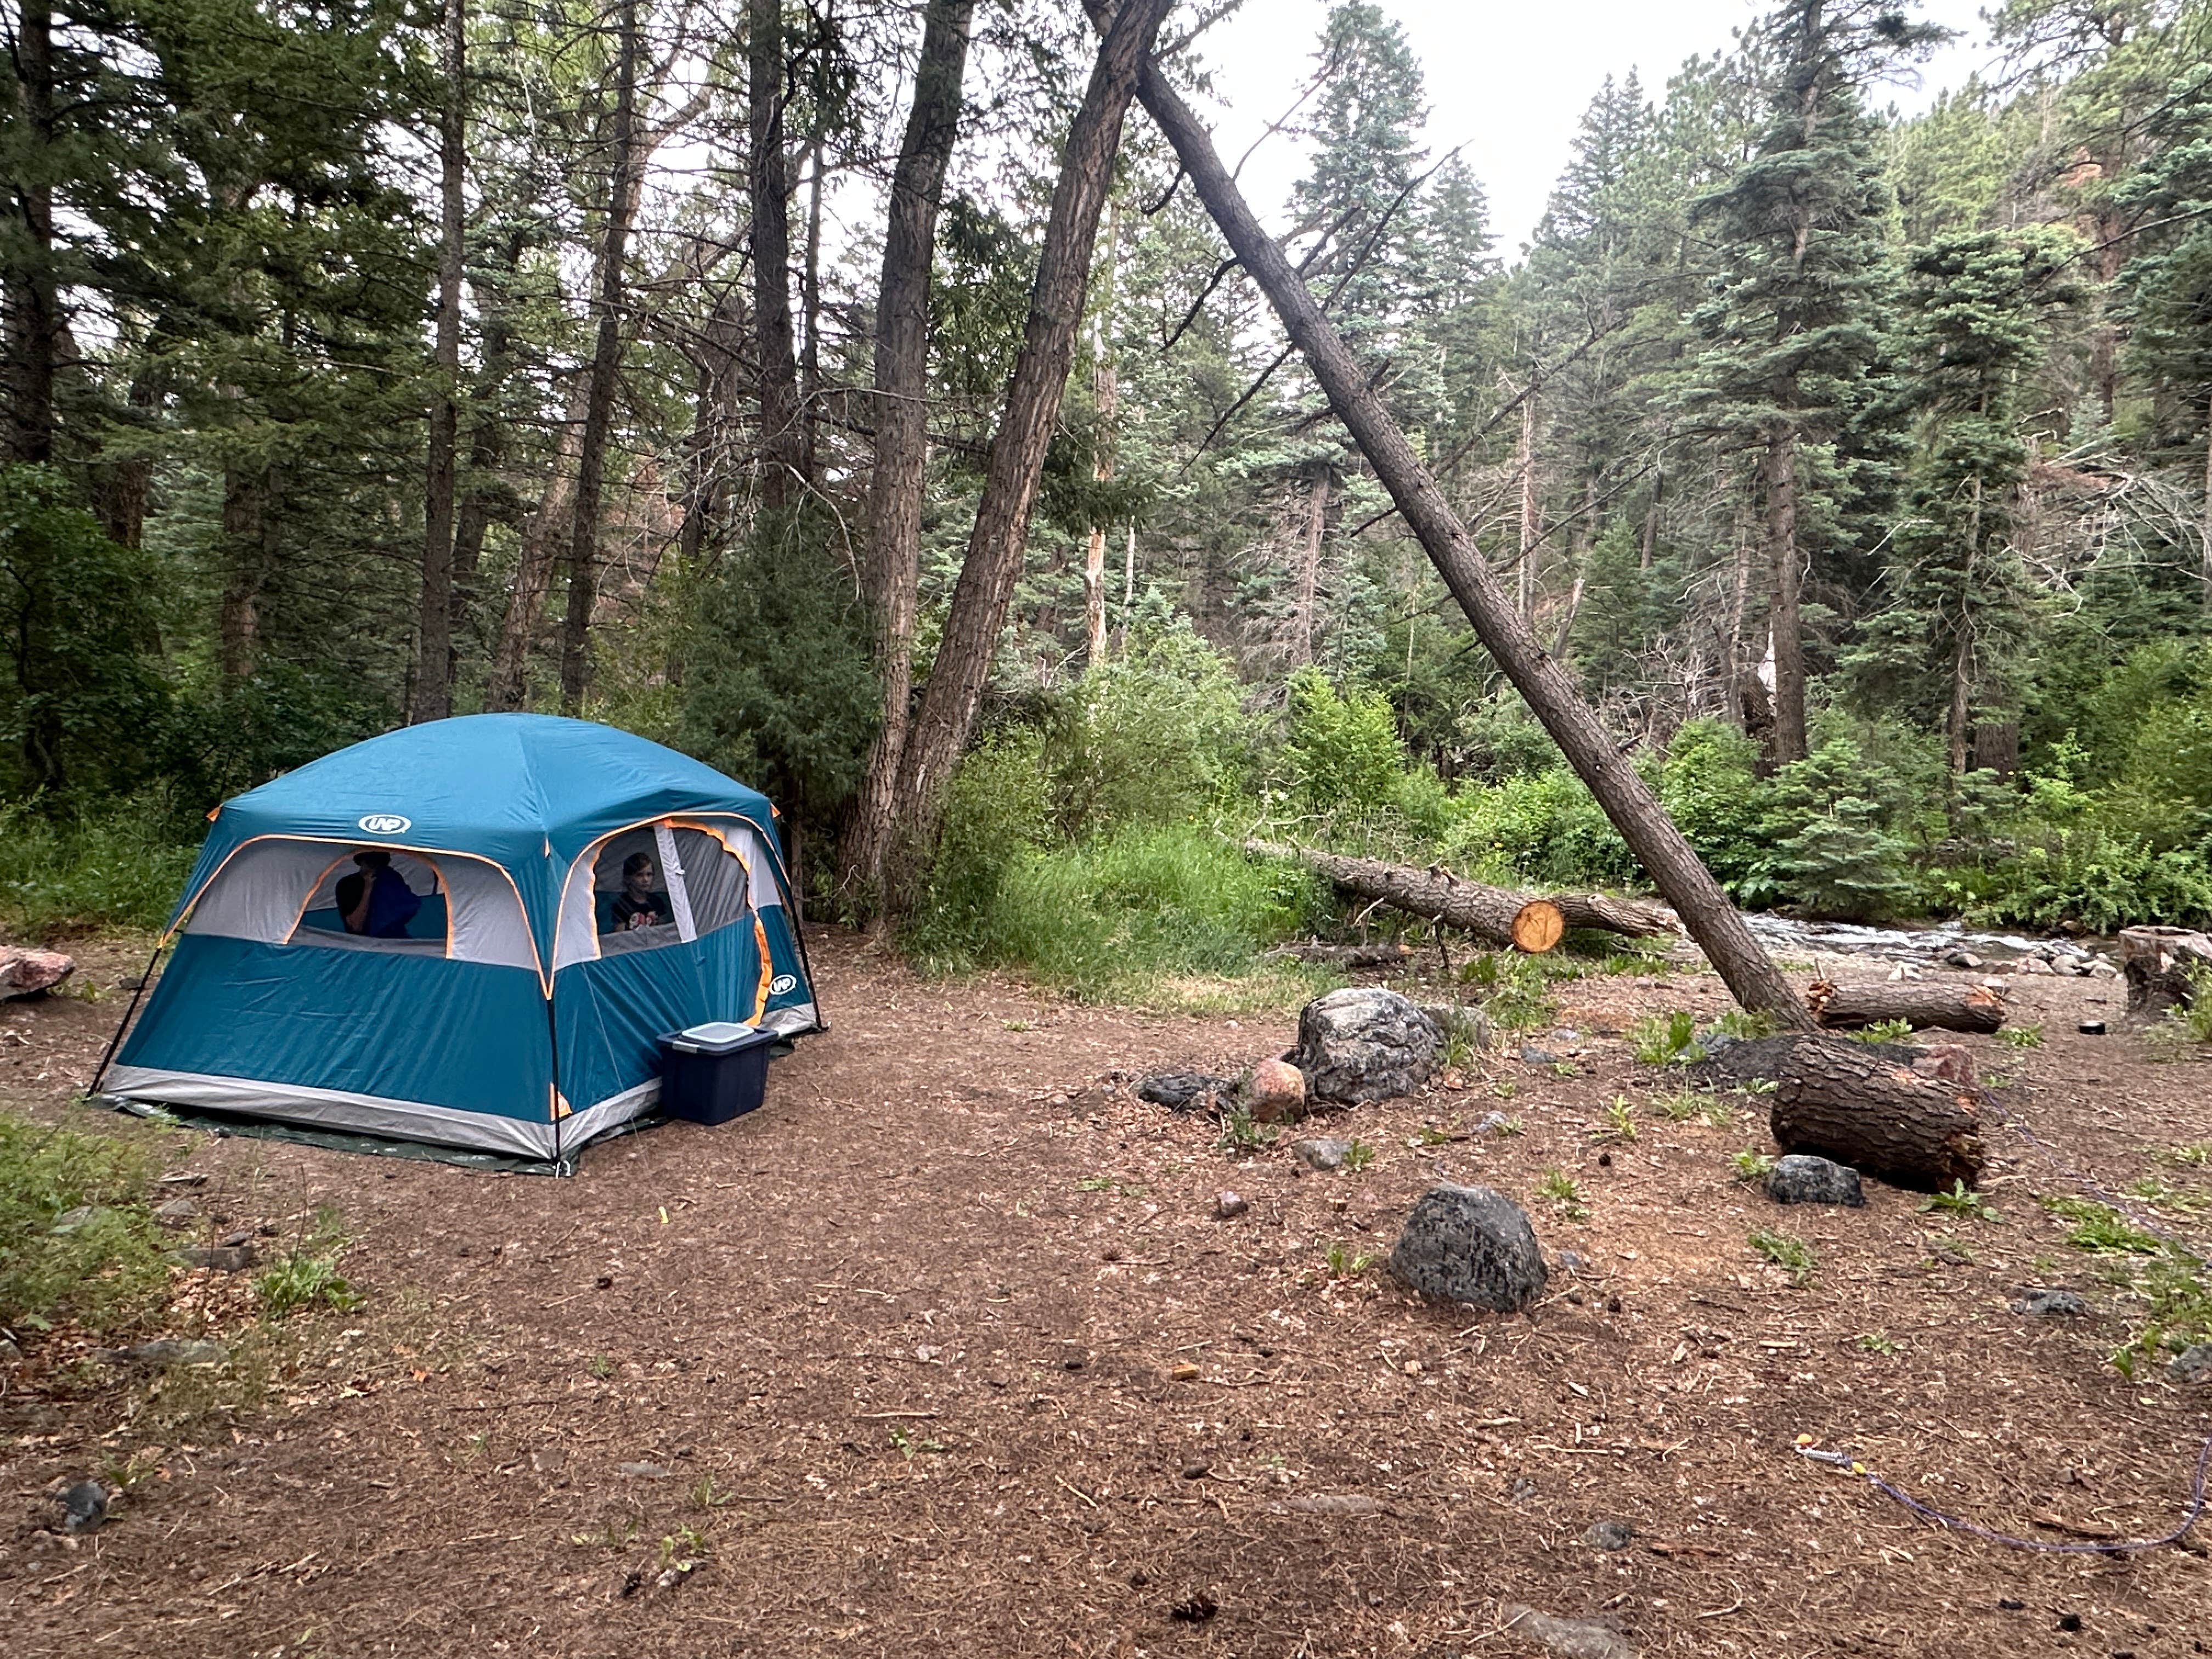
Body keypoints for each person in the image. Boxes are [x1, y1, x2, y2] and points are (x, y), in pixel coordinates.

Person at [337, 850, 424, 938]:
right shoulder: (348, 884)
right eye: (371, 863)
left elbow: (409, 906)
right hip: (364, 942)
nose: (375, 867)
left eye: (380, 863)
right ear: (361, 862)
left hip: (394, 937)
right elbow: (356, 926)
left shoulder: (391, 877)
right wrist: (368, 888)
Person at [608, 852, 672, 933]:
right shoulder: (621, 904)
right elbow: (619, 935)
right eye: (639, 875)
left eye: (649, 875)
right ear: (628, 879)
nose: (645, 879)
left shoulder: (656, 901)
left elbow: (663, 930)